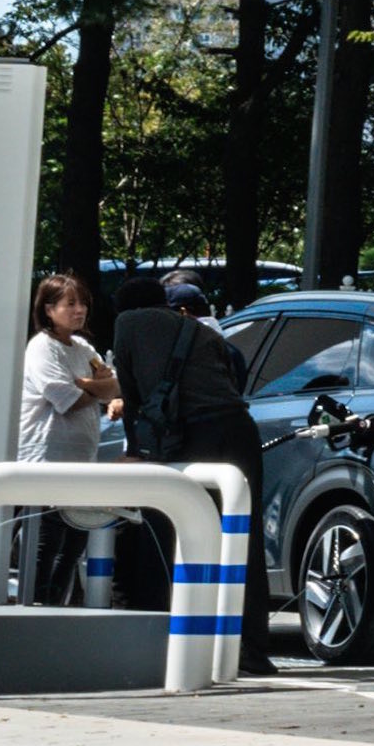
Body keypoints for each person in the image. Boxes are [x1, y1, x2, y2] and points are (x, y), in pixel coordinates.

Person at [101, 272, 268, 658]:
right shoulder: (198, 329)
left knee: (169, 530)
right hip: (238, 432)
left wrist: (137, 450)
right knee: (244, 535)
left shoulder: (128, 323)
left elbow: (133, 395)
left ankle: (163, 640)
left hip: (191, 436)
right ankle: (252, 648)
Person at [5, 272, 119, 603]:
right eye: (70, 303)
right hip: (46, 457)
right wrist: (97, 389)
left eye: (83, 303)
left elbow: (111, 384)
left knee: (73, 544)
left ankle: (56, 607)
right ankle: (36, 608)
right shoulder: (42, 347)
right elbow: (63, 399)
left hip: (81, 460)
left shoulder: (84, 347)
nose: (79, 309)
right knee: (45, 542)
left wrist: (91, 386)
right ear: (48, 308)